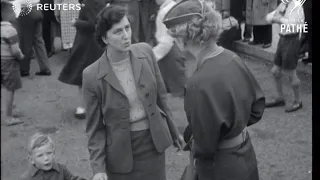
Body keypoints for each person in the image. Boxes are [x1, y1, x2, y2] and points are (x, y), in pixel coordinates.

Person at [163, 1, 266, 180]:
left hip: (221, 167)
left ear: (184, 37)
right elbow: (256, 109)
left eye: (174, 37)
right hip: (246, 155)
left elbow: (204, 147)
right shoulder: (233, 58)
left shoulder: (198, 83)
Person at [82, 5, 184, 180]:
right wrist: (98, 168)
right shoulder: (92, 75)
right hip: (120, 153)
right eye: (117, 32)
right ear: (105, 38)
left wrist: (174, 132)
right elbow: (95, 128)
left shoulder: (145, 52)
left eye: (127, 28)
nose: (126, 36)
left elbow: (161, 97)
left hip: (153, 145)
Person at [58, 0, 105, 119]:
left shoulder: (88, 2)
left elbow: (91, 24)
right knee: (96, 76)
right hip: (96, 43)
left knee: (82, 76)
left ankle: (84, 107)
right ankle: (98, 105)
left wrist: (76, 22)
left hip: (86, 44)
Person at [265, 0, 304, 112]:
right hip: (283, 39)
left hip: (292, 39)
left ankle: (298, 101)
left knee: (290, 72)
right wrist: (276, 18)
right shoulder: (283, 4)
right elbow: (268, 18)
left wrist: (278, 19)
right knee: (275, 71)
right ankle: (279, 97)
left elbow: (292, 24)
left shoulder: (296, 6)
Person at [153, 0, 187, 97]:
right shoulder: (172, 7)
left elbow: (167, 39)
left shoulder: (166, 11)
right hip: (170, 49)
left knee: (179, 91)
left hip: (169, 52)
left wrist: (153, 54)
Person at [20, 133, 86, 180]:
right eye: (40, 155)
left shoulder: (61, 169)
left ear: (54, 153)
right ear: (31, 160)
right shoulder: (26, 178)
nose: (46, 158)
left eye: (49, 153)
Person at [1, 1, 25, 126]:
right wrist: (21, 56)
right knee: (10, 88)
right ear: (5, 13)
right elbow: (15, 50)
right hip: (9, 62)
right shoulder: (10, 30)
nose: (14, 14)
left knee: (3, 87)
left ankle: (7, 109)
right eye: (11, 11)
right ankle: (8, 116)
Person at [17, 0, 52, 77]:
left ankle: (24, 69)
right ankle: (45, 68)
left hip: (26, 9)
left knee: (25, 41)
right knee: (39, 40)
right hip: (37, 7)